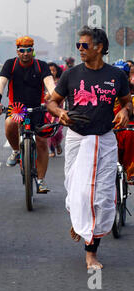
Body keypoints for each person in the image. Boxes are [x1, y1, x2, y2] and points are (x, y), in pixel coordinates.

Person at [47, 26, 133, 270]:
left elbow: (127, 103)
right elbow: (52, 101)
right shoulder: (71, 75)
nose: (80, 49)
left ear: (100, 47)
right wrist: (60, 112)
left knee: (102, 197)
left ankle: (91, 252)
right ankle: (80, 219)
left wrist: (126, 112)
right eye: (79, 45)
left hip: (105, 139)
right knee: (77, 194)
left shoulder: (117, 76)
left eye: (85, 45)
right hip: (76, 138)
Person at [0, 36, 56, 193]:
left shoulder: (41, 66)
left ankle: (41, 180)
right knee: (9, 123)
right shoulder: (11, 64)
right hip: (17, 108)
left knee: (41, 141)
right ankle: (16, 150)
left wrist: (55, 99)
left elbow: (50, 85)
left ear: (33, 51)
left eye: (29, 50)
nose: (25, 54)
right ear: (17, 52)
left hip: (38, 108)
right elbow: (1, 82)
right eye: (22, 51)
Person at [113, 59, 134, 184]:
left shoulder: (131, 90)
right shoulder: (105, 88)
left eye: (123, 75)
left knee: (131, 134)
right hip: (108, 126)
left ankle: (130, 171)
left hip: (128, 126)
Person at [46, 62, 64, 157]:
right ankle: (52, 150)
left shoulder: (60, 82)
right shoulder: (45, 82)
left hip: (58, 109)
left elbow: (63, 96)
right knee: (49, 131)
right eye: (50, 71)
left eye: (54, 70)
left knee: (58, 130)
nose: (52, 72)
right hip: (47, 110)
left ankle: (57, 144)